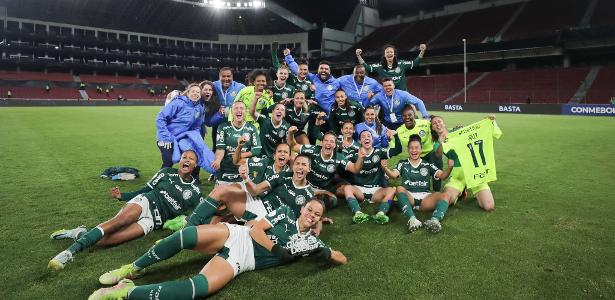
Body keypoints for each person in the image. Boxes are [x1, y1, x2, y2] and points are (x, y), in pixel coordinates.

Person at [88, 199, 347, 300]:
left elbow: (341, 259)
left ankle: (126, 291)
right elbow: (256, 229)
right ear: (303, 210)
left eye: (317, 214)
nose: (312, 214)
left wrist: (322, 250)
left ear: (320, 219)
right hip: (240, 235)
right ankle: (133, 268)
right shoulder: (285, 213)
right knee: (186, 235)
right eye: (310, 210)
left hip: (243, 260)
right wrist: (278, 250)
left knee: (198, 288)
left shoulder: (310, 243)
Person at [48, 151, 203, 271]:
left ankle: (79, 233)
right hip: (146, 202)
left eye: (191, 159)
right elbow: (145, 189)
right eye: (184, 157)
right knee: (118, 222)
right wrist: (123, 196)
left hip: (153, 222)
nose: (187, 160)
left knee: (108, 241)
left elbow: (200, 213)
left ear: (195, 165)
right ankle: (68, 253)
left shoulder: (195, 191)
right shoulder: (166, 172)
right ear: (180, 160)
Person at [182, 154, 314, 229]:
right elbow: (256, 190)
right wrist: (245, 178)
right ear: (293, 166)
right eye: (297, 164)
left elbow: (307, 218)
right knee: (222, 189)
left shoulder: (309, 194)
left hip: (267, 218)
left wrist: (317, 225)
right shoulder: (283, 175)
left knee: (230, 228)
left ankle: (206, 227)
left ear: (309, 169)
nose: (300, 167)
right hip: (258, 203)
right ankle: (190, 224)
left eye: (304, 165)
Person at [381, 135, 454, 233]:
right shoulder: (403, 163)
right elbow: (393, 175)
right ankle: (413, 220)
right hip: (409, 197)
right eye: (411, 148)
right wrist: (385, 168)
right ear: (408, 149)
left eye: (416, 148)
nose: (414, 150)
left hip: (425, 199)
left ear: (421, 149)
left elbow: (442, 176)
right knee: (399, 188)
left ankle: (434, 220)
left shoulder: (427, 164)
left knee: (446, 195)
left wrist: (450, 167)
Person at [431, 115, 499, 212]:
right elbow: (438, 154)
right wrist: (441, 142)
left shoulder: (456, 131)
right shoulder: (437, 143)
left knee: (489, 206)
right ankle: (460, 191)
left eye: (439, 121)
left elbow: (474, 133)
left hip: (474, 172)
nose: (438, 124)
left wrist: (489, 122)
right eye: (434, 123)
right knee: (447, 200)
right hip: (458, 175)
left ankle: (469, 190)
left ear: (443, 123)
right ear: (433, 127)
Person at [288, 128, 364, 207]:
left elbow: (355, 169)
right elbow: (293, 146)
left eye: (331, 141)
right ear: (322, 142)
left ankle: (313, 198)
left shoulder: (338, 157)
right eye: (326, 140)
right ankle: (309, 196)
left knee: (333, 201)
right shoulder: (313, 150)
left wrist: (360, 157)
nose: (328, 143)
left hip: (325, 189)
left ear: (335, 145)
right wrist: (291, 133)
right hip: (308, 184)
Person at [341, 130, 402, 224]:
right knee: (347, 188)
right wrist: (341, 146)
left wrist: (396, 136)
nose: (366, 138)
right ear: (360, 141)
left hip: (376, 191)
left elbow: (398, 150)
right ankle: (358, 213)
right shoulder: (354, 154)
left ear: (372, 140)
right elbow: (340, 160)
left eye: (369, 136)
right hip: (359, 190)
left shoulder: (379, 151)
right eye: (363, 136)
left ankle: (381, 214)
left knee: (392, 190)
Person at [212, 101, 261, 184]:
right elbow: (220, 148)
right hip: (226, 168)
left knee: (244, 195)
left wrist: (238, 156)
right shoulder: (223, 127)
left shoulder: (252, 128)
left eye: (242, 108)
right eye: (236, 108)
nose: (239, 111)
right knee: (220, 195)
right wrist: (217, 160)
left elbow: (257, 149)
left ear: (245, 112)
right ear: (231, 111)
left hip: (243, 168)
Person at [155, 83, 204, 169]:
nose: (195, 94)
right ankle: (161, 180)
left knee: (195, 156)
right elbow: (160, 118)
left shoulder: (199, 108)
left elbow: (196, 126)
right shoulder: (178, 103)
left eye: (198, 92)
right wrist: (166, 137)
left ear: (200, 95)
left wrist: (194, 138)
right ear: (188, 93)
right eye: (193, 91)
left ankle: (193, 179)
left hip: (181, 138)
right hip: (166, 137)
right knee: (169, 161)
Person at [395, 105, 442, 191]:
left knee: (437, 173)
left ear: (414, 115)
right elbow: (393, 147)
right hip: (414, 155)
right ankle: (415, 191)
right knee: (416, 176)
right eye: (404, 116)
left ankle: (437, 192)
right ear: (402, 117)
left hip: (429, 153)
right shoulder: (399, 131)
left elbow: (439, 130)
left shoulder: (425, 124)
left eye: (409, 115)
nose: (407, 118)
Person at [284, 49, 340, 114]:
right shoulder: (313, 78)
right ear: (318, 70)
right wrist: (287, 55)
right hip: (315, 113)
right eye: (321, 68)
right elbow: (298, 70)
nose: (323, 70)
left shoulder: (336, 82)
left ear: (330, 71)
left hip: (330, 114)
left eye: (326, 69)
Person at [356, 43, 427, 91]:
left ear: (394, 54)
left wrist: (422, 51)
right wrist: (358, 56)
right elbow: (367, 67)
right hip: (387, 93)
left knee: (412, 107)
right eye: (387, 52)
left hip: (402, 94)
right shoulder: (380, 66)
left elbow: (415, 63)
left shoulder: (402, 63)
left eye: (391, 52)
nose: (389, 53)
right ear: (384, 55)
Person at [212, 67, 246, 144]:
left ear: (232, 77)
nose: (226, 78)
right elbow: (202, 88)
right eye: (223, 76)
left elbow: (251, 93)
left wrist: (268, 91)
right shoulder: (213, 85)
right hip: (218, 121)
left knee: (232, 146)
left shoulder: (240, 87)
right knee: (216, 146)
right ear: (219, 77)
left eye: (228, 76)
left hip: (234, 122)